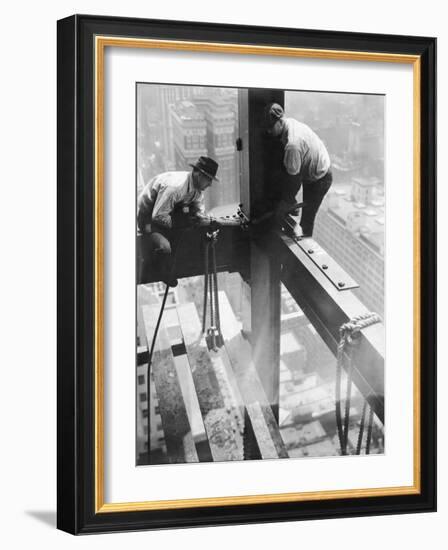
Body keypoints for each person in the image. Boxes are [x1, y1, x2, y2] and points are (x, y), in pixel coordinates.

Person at [137, 156, 219, 287]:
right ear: (198, 174)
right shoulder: (176, 187)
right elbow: (158, 216)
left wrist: (205, 220)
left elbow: (198, 212)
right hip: (148, 218)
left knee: (187, 232)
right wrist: (182, 223)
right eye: (209, 179)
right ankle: (162, 271)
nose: (210, 184)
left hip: (167, 214)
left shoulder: (197, 190)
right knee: (166, 246)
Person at [264, 103, 333, 238]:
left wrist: (287, 201)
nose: (268, 131)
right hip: (310, 168)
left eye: (270, 127)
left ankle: (305, 248)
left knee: (307, 218)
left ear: (280, 121)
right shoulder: (289, 123)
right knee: (288, 200)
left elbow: (294, 180)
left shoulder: (293, 145)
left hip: (320, 178)